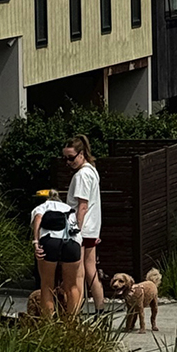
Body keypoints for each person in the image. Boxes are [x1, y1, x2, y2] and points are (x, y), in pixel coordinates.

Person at [64, 134, 104, 314]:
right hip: (92, 228)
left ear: (81, 154)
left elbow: (82, 206)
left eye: (71, 157)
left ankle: (76, 311)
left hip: (81, 229)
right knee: (90, 269)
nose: (68, 162)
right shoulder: (92, 171)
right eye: (65, 158)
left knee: (78, 272)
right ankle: (100, 309)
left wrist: (75, 230)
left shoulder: (81, 176)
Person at [30, 188, 82, 317]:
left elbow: (38, 218)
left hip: (50, 241)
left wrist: (36, 242)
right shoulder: (68, 208)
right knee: (72, 286)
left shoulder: (42, 207)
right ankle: (72, 323)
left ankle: (48, 324)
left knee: (47, 285)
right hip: (72, 243)